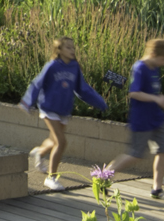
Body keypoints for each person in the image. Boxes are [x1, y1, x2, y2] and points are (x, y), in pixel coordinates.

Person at [19, 37, 108, 190]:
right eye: (68, 48)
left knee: (54, 141)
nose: (72, 50)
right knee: (62, 142)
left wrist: (100, 102)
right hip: (49, 108)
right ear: (59, 50)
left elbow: (83, 89)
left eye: (73, 47)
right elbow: (37, 84)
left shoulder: (74, 67)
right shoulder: (52, 66)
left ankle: (40, 152)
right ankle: (51, 178)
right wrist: (27, 102)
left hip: (64, 110)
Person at [99, 36, 164, 199]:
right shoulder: (140, 68)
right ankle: (104, 176)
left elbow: (154, 92)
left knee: (163, 150)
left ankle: (157, 188)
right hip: (142, 119)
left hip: (156, 118)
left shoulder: (155, 68)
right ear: (154, 54)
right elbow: (134, 92)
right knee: (135, 154)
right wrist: (156, 99)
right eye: (163, 59)